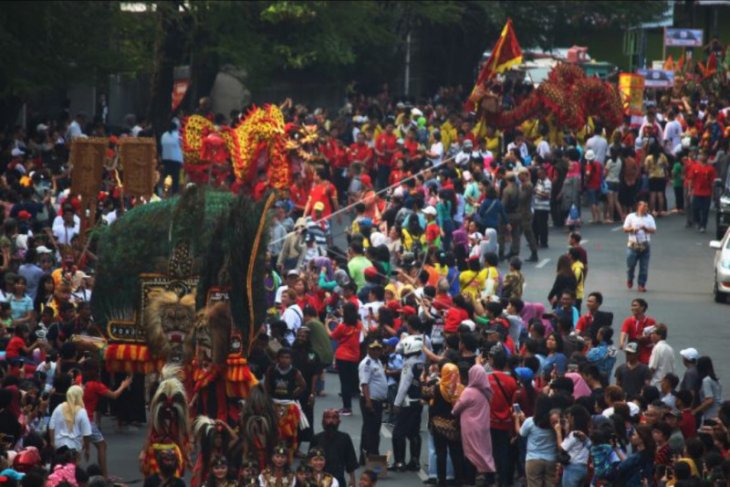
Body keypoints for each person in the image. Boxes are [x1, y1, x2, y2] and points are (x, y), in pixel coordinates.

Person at [452, 364, 495, 486]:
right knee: (485, 451)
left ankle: (470, 480)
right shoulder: (487, 391)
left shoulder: (469, 392)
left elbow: (457, 408)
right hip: (484, 425)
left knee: (470, 452)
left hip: (470, 428)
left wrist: (453, 410)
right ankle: (490, 477)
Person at [425, 362, 465, 487]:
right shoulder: (461, 389)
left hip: (438, 426)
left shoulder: (437, 388)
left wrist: (424, 380)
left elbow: (424, 394)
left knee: (440, 454)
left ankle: (441, 481)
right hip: (454, 426)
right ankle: (458, 480)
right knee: (456, 454)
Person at [391, 335, 425, 472]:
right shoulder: (421, 363)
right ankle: (415, 461)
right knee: (414, 433)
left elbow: (404, 386)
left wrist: (396, 403)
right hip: (418, 402)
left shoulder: (408, 364)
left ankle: (399, 462)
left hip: (407, 402)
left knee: (398, 433)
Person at [328, 302, 362, 416]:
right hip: (354, 356)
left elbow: (332, 335)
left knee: (344, 383)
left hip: (342, 356)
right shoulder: (358, 324)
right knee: (352, 381)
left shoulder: (343, 326)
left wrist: (326, 325)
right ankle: (349, 406)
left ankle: (347, 407)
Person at [515, 394, 557, 487]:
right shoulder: (553, 422)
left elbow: (521, 433)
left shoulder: (530, 421)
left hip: (533, 459)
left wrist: (517, 419)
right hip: (551, 459)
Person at [310, 410, 358, 487]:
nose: (331, 421)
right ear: (323, 421)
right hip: (319, 479)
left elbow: (350, 461)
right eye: (328, 418)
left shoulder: (345, 438)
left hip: (339, 479)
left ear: (339, 421)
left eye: (334, 418)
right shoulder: (316, 438)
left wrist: (352, 479)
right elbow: (310, 460)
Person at [358, 340, 388, 462]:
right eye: (373, 349)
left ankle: (366, 456)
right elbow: (364, 383)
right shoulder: (367, 363)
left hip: (377, 400)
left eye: (378, 349)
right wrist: (368, 401)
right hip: (370, 400)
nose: (376, 351)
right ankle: (372, 455)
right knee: (371, 430)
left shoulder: (378, 361)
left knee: (372, 429)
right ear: (368, 349)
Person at [49, 385, 91, 459]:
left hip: (59, 445)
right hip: (75, 446)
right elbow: (86, 433)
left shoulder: (58, 408)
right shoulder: (82, 412)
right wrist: (87, 449)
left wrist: (52, 442)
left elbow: (51, 426)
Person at [554, 405, 591, 487]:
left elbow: (562, 448)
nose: (568, 419)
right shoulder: (585, 433)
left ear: (573, 418)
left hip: (572, 468)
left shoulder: (573, 434)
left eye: (569, 417)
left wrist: (558, 432)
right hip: (584, 468)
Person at [623, 201, 656, 292]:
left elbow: (653, 230)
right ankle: (630, 278)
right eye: (643, 206)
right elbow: (625, 229)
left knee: (644, 267)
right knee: (631, 265)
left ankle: (641, 284)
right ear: (638, 207)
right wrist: (632, 229)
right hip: (633, 244)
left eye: (646, 206)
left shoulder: (649, 218)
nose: (645, 208)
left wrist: (645, 229)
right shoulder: (631, 216)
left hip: (645, 244)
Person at [619, 298, 655, 364]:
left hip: (645, 351)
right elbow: (624, 332)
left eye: (635, 305)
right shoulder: (628, 321)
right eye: (632, 306)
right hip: (632, 351)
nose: (632, 308)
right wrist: (622, 342)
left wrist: (645, 338)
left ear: (642, 307)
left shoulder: (651, 321)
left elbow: (654, 336)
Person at [693, 356, 722, 422]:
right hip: (718, 414)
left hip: (710, 415)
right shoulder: (717, 380)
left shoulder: (706, 381)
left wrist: (695, 411)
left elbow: (709, 400)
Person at [160, 121, 183, 194]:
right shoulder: (178, 136)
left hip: (166, 159)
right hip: (176, 159)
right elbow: (182, 145)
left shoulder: (163, 135)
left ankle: (165, 191)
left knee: (166, 176)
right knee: (175, 178)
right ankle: (174, 193)